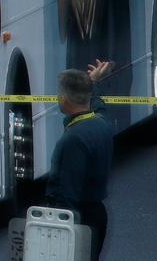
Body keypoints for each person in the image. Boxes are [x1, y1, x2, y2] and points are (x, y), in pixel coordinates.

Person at [47, 59, 115, 260]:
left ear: (64, 98)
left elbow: (66, 192)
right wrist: (92, 83)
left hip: (77, 220)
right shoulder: (101, 123)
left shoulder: (73, 139)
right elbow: (98, 105)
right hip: (97, 214)